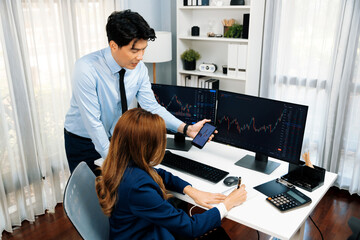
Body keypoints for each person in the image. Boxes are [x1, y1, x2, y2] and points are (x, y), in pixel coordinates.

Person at [64, 9, 211, 174]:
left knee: (120, 193)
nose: (141, 57)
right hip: (83, 141)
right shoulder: (86, 69)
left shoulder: (139, 68)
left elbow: (152, 107)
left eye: (143, 49)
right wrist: (117, 163)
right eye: (134, 51)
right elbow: (93, 122)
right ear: (113, 45)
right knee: (93, 195)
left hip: (116, 136)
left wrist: (186, 129)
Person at [95, 108, 247, 240]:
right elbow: (190, 228)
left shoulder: (121, 165)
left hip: (141, 230)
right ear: (147, 147)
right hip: (148, 235)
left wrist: (191, 190)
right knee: (216, 234)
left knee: (216, 233)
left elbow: (159, 174)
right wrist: (227, 204)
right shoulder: (137, 187)